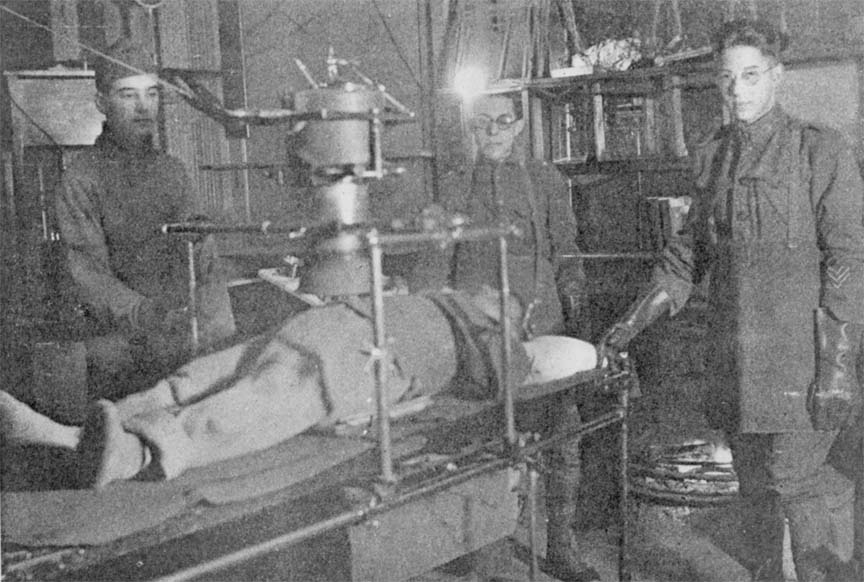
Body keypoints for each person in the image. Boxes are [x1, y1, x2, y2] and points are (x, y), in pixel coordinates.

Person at [599, 19, 863, 581]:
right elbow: (687, 256)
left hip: (804, 362)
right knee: (754, 486)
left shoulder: (820, 150)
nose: (737, 90)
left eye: (751, 75)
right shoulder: (713, 157)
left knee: (795, 480)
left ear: (777, 76)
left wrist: (837, 366)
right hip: (737, 362)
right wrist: (631, 322)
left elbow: (849, 260)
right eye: (727, 78)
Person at [0, 287, 599, 489]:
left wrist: (524, 346)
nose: (497, 293)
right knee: (203, 377)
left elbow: (515, 372)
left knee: (247, 404)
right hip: (332, 328)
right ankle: (81, 434)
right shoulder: (443, 297)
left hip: (354, 359)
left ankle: (132, 452)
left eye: (508, 303)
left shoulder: (492, 339)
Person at [413, 93, 595, 582]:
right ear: (473, 129)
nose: (492, 131)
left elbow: (566, 249)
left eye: (502, 121)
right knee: (486, 445)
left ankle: (562, 546)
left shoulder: (545, 179)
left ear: (518, 126)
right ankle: (486, 550)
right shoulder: (456, 185)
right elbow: (435, 263)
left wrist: (575, 308)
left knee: (563, 440)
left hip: (544, 326)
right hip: (482, 336)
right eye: (482, 123)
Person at [55, 38, 235, 401]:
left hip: (182, 336)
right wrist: (148, 315)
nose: (143, 108)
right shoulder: (81, 179)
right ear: (102, 103)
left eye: (151, 94)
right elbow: (88, 276)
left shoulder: (173, 172)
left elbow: (205, 261)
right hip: (120, 343)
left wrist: (218, 332)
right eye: (128, 95)